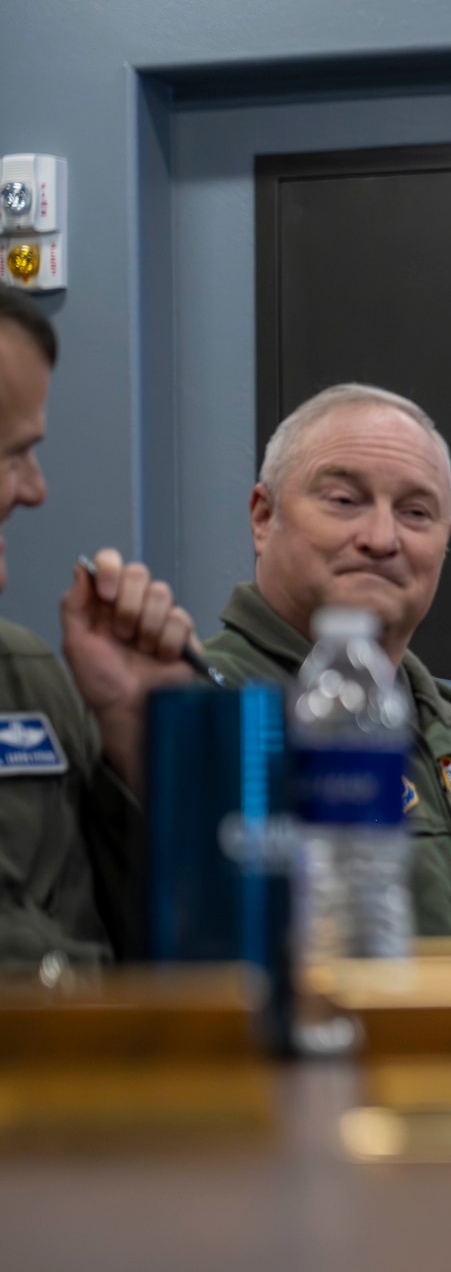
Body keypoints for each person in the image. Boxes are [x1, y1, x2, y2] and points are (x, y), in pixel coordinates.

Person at [201, 384, 451, 936]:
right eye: (344, 501)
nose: (381, 538)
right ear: (263, 516)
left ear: (444, 541)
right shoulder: (195, 715)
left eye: (416, 512)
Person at [0, 288, 199, 964]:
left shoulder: (25, 677)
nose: (34, 490)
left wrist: (137, 746)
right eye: (10, 455)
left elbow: (176, 950)